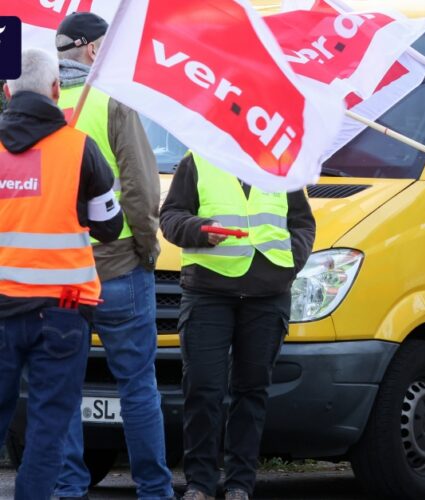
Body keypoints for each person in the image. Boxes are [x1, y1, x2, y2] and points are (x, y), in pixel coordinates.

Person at [51, 12, 173, 500]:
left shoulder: (36, 105)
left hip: (56, 277)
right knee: (138, 387)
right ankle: (154, 490)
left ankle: (68, 488)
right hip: (118, 266)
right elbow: (142, 189)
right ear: (94, 50)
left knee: (60, 389)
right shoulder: (113, 99)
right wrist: (146, 250)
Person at [0, 48, 122, 500]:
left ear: (7, 91)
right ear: (56, 90)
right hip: (64, 313)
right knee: (49, 429)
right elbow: (109, 228)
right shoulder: (80, 149)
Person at [160, 151, 315, 500]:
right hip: (208, 292)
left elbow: (303, 223)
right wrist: (198, 230)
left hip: (267, 294)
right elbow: (169, 217)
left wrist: (291, 261)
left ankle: (240, 484)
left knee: (252, 390)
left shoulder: (281, 164)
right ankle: (199, 483)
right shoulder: (198, 158)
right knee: (203, 389)